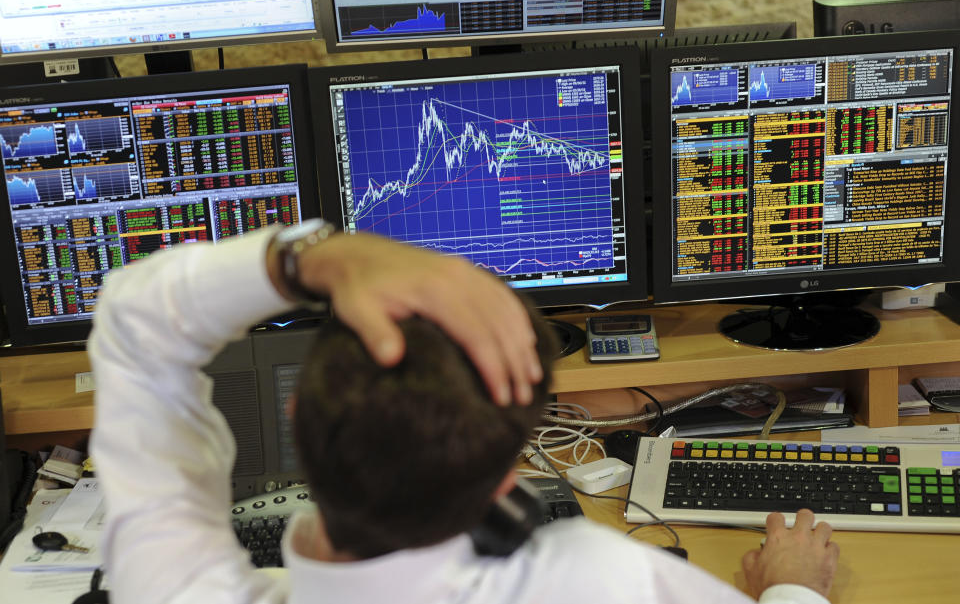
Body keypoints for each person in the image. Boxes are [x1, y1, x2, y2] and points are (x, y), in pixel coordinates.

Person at [89, 223, 839, 604]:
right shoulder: (595, 577)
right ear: (505, 481)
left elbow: (132, 326)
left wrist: (319, 257)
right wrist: (794, 584)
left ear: (297, 418)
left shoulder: (180, 590)